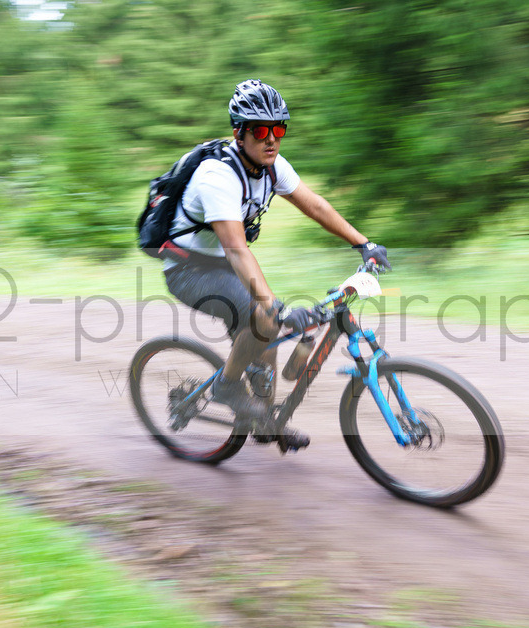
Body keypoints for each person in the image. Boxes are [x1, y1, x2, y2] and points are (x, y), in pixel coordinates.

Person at [161, 79, 391, 444]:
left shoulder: (272, 166)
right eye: (261, 130)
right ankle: (225, 387)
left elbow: (314, 205)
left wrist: (364, 244)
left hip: (224, 262)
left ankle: (265, 423)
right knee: (267, 314)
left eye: (279, 129)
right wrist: (272, 306)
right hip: (189, 269)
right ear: (239, 133)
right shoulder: (217, 176)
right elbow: (237, 250)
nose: (271, 139)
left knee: (265, 334)